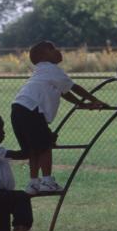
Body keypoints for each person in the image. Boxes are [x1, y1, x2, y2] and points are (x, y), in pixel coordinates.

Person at [12, 41, 106, 193]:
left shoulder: (41, 71)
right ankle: (47, 181)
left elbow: (64, 92)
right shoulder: (51, 69)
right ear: (43, 57)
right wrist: (94, 100)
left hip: (18, 108)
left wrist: (81, 104)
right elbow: (74, 87)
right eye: (52, 49)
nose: (58, 51)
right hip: (32, 110)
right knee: (45, 146)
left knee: (33, 149)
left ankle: (34, 183)